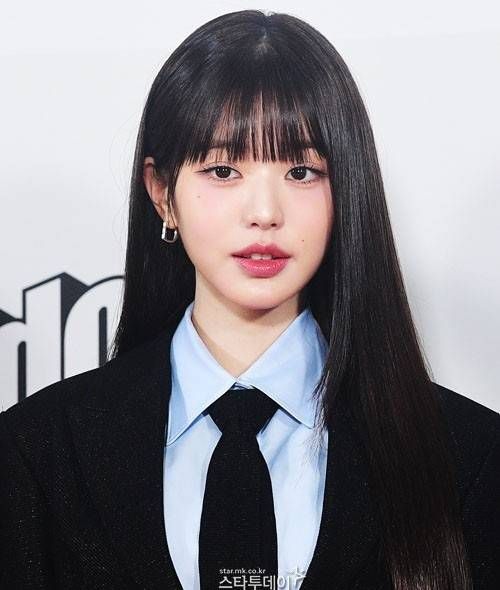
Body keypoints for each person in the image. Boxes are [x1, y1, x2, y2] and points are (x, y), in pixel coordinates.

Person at [1, 9, 499, 590]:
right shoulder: (39, 452)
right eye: (223, 170)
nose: (264, 213)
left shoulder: (469, 456)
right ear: (162, 194)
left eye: (301, 172)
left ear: (347, 188)